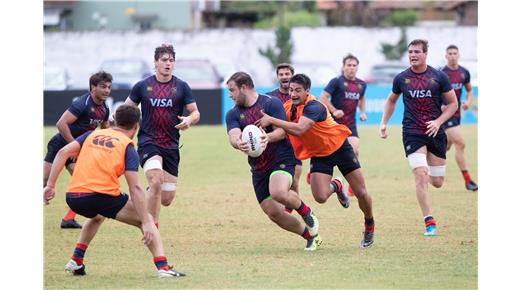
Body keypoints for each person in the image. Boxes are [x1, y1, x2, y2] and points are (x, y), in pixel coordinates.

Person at [43, 105, 185, 278]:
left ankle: (76, 260)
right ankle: (163, 267)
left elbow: (63, 152)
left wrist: (50, 185)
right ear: (136, 127)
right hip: (100, 196)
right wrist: (147, 222)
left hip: (73, 197)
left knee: (97, 216)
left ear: (115, 121)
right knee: (145, 218)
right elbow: (135, 188)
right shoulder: (127, 146)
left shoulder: (91, 134)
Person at [256, 73, 375, 248]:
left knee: (361, 193)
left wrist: (272, 119)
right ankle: (337, 185)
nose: (293, 94)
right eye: (290, 90)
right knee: (320, 197)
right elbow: (278, 126)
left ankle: (369, 224)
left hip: (340, 147)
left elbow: (299, 129)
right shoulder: (288, 107)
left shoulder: (315, 106)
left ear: (307, 91)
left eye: (298, 90)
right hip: (320, 154)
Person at [225, 72, 321, 251]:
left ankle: (306, 212)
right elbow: (233, 134)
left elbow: (281, 131)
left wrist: (266, 137)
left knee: (278, 192)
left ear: (244, 88)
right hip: (258, 166)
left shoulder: (270, 103)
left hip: (281, 158)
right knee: (274, 213)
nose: (229, 94)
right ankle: (310, 237)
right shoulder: (233, 113)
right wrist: (238, 142)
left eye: (232, 90)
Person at [379, 39, 458, 236]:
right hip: (412, 131)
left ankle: (431, 166)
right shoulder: (401, 78)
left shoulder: (438, 77)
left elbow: (453, 104)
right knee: (421, 175)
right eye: (410, 52)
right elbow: (391, 101)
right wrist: (384, 123)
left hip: (435, 132)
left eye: (417, 52)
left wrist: (439, 122)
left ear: (425, 54)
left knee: (437, 181)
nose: (413, 55)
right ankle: (429, 221)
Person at [124, 44, 200, 226]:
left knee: (166, 198)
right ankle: (151, 227)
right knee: (157, 180)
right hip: (148, 142)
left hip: (171, 145)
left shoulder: (181, 86)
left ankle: (149, 192)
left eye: (171, 60)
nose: (168, 64)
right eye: (164, 60)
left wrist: (189, 120)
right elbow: (127, 108)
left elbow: (196, 112)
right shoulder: (143, 86)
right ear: (155, 62)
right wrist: (116, 120)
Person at [43, 71, 112, 229]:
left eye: (109, 87)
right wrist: (74, 145)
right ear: (93, 87)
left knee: (85, 181)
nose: (107, 90)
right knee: (44, 180)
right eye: (103, 87)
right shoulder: (83, 103)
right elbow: (61, 124)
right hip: (60, 145)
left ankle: (68, 219)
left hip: (77, 150)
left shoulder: (105, 109)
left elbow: (105, 129)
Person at [319, 54, 367, 196]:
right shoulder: (336, 82)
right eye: (349, 65)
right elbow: (322, 97)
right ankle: (314, 171)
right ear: (343, 67)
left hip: (350, 125)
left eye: (354, 65)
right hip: (333, 124)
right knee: (327, 153)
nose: (351, 68)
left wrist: (362, 112)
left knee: (354, 150)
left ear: (357, 67)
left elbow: (362, 99)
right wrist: (334, 110)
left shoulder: (361, 84)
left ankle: (353, 183)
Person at [440, 45, 478, 191]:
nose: (452, 56)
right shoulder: (441, 73)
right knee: (460, 143)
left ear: (459, 55)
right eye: (450, 53)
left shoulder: (464, 73)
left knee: (446, 146)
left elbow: (469, 90)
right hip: (444, 114)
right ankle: (468, 181)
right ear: (446, 56)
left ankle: (428, 165)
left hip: (457, 115)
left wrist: (468, 102)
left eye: (455, 53)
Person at [265, 63, 303, 206]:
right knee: (275, 183)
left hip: (295, 145)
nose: (284, 76)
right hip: (274, 146)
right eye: (281, 74)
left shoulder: (300, 96)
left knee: (294, 183)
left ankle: (295, 211)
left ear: (292, 76)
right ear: (277, 77)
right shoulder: (269, 98)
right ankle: (287, 211)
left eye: (287, 74)